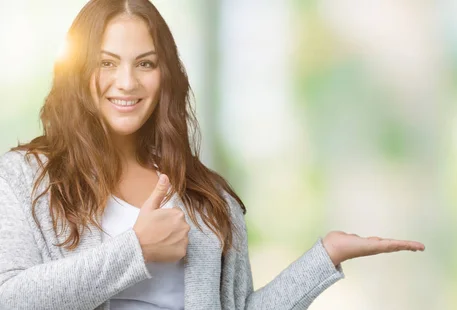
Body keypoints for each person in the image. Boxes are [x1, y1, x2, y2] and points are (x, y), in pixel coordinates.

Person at [0, 0, 425, 309]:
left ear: (165, 75)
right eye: (107, 63)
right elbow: (11, 297)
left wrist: (325, 257)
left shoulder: (206, 198)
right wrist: (136, 250)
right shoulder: (25, 178)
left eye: (145, 63)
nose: (126, 82)